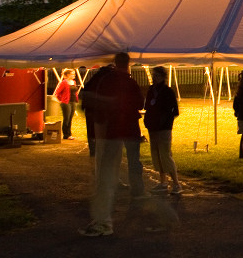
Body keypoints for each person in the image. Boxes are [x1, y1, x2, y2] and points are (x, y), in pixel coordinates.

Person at [79, 53, 145, 237]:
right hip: (122, 133)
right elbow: (139, 103)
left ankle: (103, 223)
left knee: (104, 179)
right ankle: (138, 197)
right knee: (111, 176)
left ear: (115, 63)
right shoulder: (129, 83)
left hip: (106, 134)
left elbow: (87, 99)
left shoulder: (106, 80)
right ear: (128, 64)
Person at [144, 65, 182, 193]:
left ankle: (176, 184)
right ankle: (163, 182)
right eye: (153, 75)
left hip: (164, 128)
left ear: (163, 77)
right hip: (152, 127)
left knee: (165, 155)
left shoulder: (167, 91)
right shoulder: (151, 90)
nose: (154, 78)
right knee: (156, 155)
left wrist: (165, 121)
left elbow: (174, 111)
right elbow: (148, 107)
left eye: (157, 76)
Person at [54, 68, 78, 140]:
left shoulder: (73, 82)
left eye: (74, 74)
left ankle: (69, 134)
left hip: (73, 101)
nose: (74, 75)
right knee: (66, 118)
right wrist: (61, 100)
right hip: (66, 102)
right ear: (67, 75)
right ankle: (65, 134)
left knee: (70, 118)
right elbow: (57, 93)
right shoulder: (63, 82)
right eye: (72, 74)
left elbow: (74, 92)